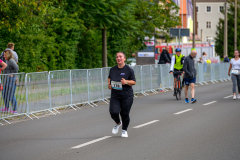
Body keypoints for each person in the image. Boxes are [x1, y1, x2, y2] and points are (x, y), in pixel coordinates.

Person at [108, 52, 136, 138]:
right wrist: (109, 84)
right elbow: (109, 78)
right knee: (113, 112)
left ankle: (124, 130)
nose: (118, 58)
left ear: (124, 58)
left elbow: (134, 82)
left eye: (120, 57)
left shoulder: (129, 70)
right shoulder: (113, 69)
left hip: (127, 95)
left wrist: (126, 82)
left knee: (124, 113)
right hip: (115, 95)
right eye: (117, 57)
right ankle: (118, 123)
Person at [1, 50, 19, 114]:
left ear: (8, 55)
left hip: (11, 79)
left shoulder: (11, 60)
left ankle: (15, 110)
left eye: (5, 55)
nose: (4, 56)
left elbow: (16, 67)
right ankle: (7, 108)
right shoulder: (6, 60)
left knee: (11, 95)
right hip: (6, 79)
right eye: (4, 55)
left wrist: (14, 75)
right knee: (4, 93)